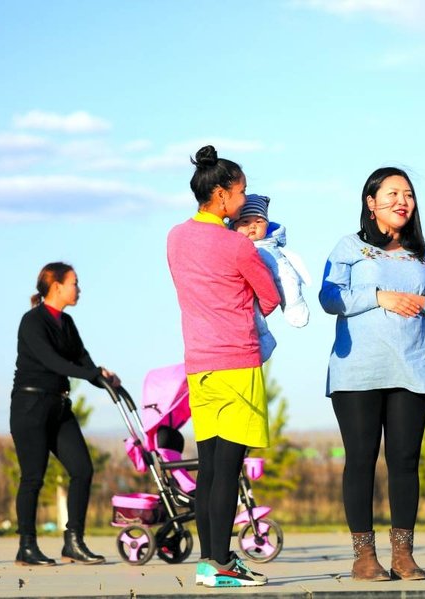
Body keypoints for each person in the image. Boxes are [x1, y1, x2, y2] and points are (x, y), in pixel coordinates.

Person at [319, 166, 425, 582]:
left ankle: (403, 554)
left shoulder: (424, 255)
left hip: (413, 367)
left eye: (408, 194)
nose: (402, 201)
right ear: (371, 202)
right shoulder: (349, 247)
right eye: (393, 193)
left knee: (405, 461)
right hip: (358, 370)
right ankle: (363, 557)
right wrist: (380, 297)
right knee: (360, 460)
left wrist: (423, 302)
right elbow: (328, 297)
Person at [167, 145, 281, 588]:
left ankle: (210, 562)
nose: (243, 200)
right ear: (219, 196)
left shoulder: (175, 236)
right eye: (240, 192)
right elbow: (269, 298)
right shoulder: (236, 244)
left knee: (210, 468)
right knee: (228, 472)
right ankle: (219, 565)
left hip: (198, 364)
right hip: (236, 363)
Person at [11, 262, 120, 566]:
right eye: (75, 282)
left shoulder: (67, 322)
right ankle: (27, 546)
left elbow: (81, 359)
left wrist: (103, 376)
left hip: (59, 406)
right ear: (56, 286)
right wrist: (92, 375)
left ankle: (73, 542)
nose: (79, 288)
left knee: (82, 470)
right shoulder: (32, 322)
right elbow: (53, 362)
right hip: (30, 407)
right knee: (32, 478)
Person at [229, 193, 309, 362]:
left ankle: (294, 305)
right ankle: (263, 337)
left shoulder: (271, 248)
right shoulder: (233, 249)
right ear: (234, 226)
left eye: (259, 222)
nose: (252, 226)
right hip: (249, 294)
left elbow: (289, 274)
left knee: (287, 278)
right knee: (251, 310)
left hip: (273, 287)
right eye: (245, 222)